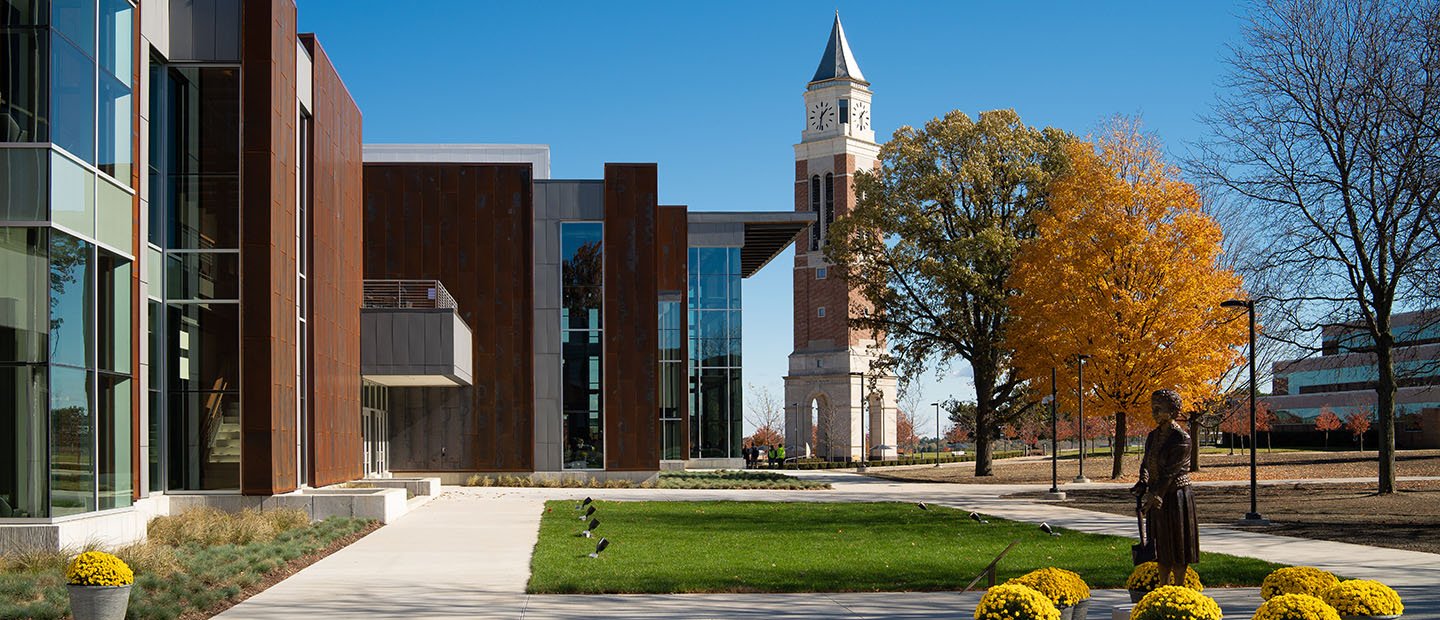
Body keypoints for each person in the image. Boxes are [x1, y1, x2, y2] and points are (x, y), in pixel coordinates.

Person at [1131, 389, 1200, 587]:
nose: (1154, 413)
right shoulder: (1152, 436)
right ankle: (1162, 587)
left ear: (1172, 411)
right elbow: (1146, 463)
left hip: (1176, 497)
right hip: (1156, 495)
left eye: (1158, 409)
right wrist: (1143, 483)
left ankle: (1178, 587)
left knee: (1177, 545)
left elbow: (1170, 473)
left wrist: (1154, 496)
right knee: (1160, 544)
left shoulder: (1181, 439)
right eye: (1153, 408)